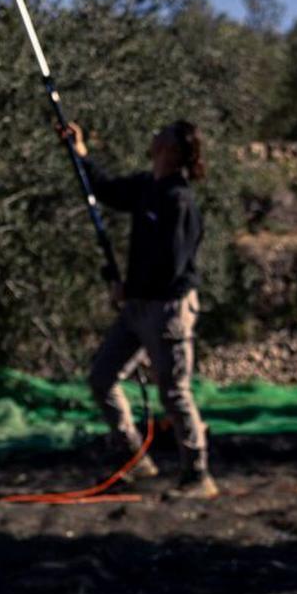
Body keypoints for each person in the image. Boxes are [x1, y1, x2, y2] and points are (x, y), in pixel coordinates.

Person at [61, 118, 218, 499]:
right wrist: (80, 153)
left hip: (167, 309)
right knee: (102, 378)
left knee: (174, 391)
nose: (154, 133)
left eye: (161, 133)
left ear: (172, 149)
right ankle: (134, 457)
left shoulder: (177, 201)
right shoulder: (148, 187)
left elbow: (171, 266)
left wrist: (127, 287)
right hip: (137, 307)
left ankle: (197, 475)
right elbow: (106, 190)